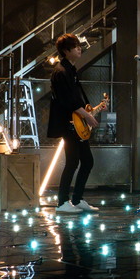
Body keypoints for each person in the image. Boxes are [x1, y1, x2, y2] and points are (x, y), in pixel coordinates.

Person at [47, 33, 106, 213]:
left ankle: (77, 199)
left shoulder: (71, 70)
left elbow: (77, 101)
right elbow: (67, 101)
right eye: (75, 46)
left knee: (87, 161)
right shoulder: (61, 72)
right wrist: (87, 116)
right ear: (66, 51)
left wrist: (94, 110)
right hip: (69, 124)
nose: (79, 48)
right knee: (73, 162)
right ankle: (62, 202)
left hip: (76, 124)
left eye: (79, 45)